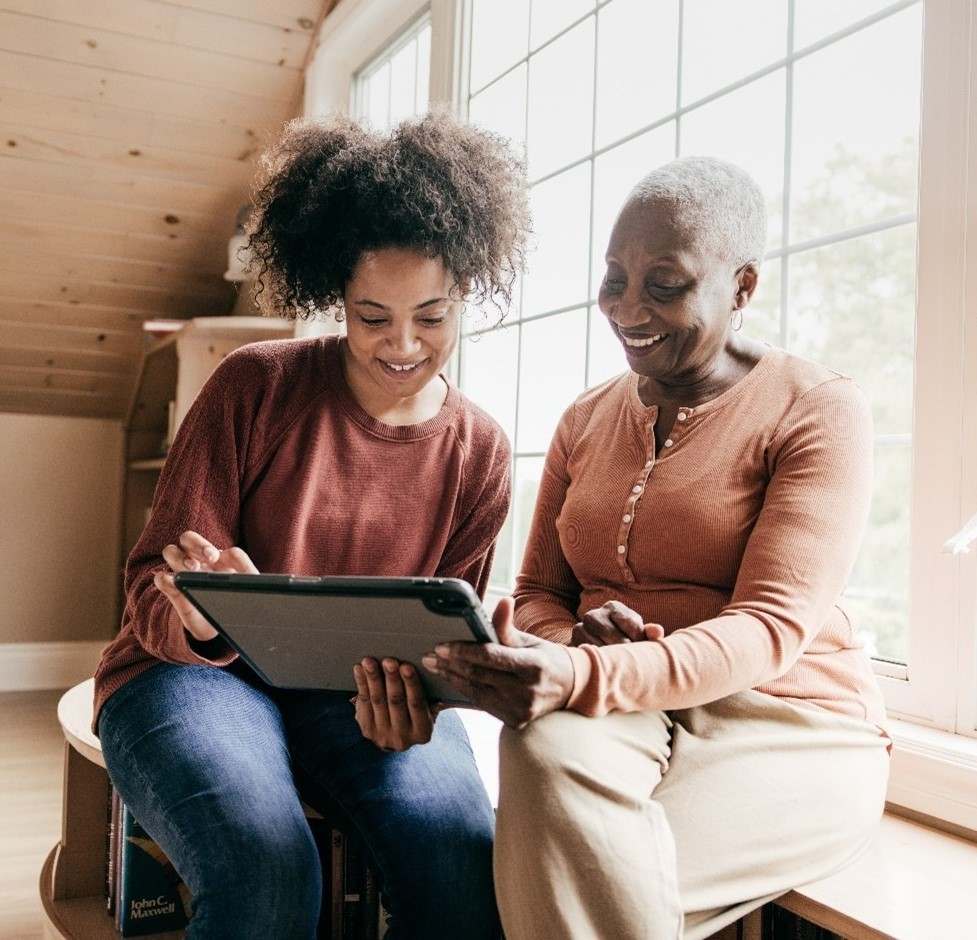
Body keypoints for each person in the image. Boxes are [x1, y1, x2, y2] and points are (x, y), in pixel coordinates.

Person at [422, 156, 890, 940]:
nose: (627, 308)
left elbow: (770, 627)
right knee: (540, 751)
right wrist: (575, 646)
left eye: (664, 284)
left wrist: (589, 668)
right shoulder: (583, 418)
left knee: (577, 882)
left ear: (740, 288)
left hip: (786, 720)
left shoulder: (816, 410)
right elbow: (539, 591)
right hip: (627, 708)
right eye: (614, 279)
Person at [93, 110, 530, 939]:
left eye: (431, 317)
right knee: (265, 869)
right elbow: (151, 585)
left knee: (464, 866)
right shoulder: (253, 385)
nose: (402, 344)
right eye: (372, 316)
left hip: (360, 695)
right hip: (192, 679)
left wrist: (431, 697)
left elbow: (444, 635)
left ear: (466, 295)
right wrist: (194, 612)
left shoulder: (480, 451)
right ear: (336, 295)